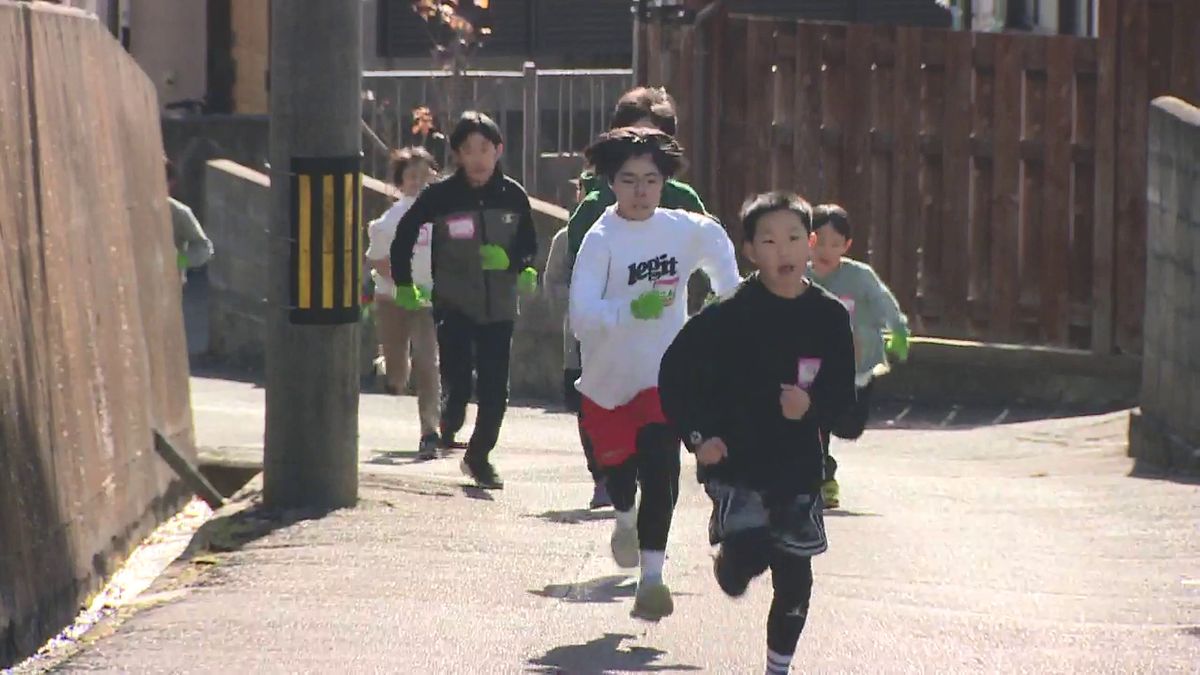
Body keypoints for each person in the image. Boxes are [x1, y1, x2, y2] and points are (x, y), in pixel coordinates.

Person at [658, 191, 856, 675]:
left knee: (795, 580)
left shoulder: (828, 316)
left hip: (798, 467)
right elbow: (674, 374)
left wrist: (812, 406)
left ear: (810, 244)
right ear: (749, 251)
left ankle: (777, 669)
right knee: (745, 561)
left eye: (793, 238)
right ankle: (733, 560)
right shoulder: (726, 314)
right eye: (768, 240)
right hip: (737, 462)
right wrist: (699, 437)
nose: (782, 250)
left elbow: (847, 409)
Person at [569, 127, 741, 621]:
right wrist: (628, 310)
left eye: (650, 179)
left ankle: (652, 579)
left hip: (665, 378)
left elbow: (723, 267)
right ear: (610, 184)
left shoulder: (688, 229)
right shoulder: (601, 240)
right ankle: (623, 518)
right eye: (628, 180)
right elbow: (581, 317)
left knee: (663, 474)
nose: (640, 191)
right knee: (622, 478)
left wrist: (720, 310)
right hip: (608, 383)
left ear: (664, 181)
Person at [390, 112, 539, 490]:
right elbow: (404, 234)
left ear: (498, 151)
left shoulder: (513, 195)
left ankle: (479, 456)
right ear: (457, 154)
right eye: (468, 150)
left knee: (494, 388)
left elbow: (529, 246)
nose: (477, 158)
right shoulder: (441, 195)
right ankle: (450, 417)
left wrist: (517, 264)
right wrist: (404, 283)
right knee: (457, 378)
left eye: (485, 149)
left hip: (500, 307)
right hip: (453, 304)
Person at [807, 204, 909, 509]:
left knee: (850, 427)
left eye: (835, 244)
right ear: (806, 240)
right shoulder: (798, 275)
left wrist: (899, 332)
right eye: (819, 241)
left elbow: (884, 304)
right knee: (816, 423)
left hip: (858, 365)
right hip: (814, 367)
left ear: (847, 246)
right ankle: (823, 476)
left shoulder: (859, 277)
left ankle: (824, 460)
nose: (826, 250)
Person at [566, 86, 709, 265]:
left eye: (652, 140)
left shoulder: (683, 200)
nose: (642, 150)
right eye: (634, 137)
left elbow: (705, 263)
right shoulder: (594, 206)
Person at [365, 147, 442, 460]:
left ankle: (430, 430)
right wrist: (402, 285)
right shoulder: (390, 219)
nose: (419, 183)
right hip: (392, 299)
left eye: (425, 176)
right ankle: (389, 368)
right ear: (400, 182)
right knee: (398, 373)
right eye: (412, 177)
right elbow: (378, 260)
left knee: (428, 362)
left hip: (429, 302)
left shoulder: (443, 215)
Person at [545, 223, 610, 509]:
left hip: (627, 342)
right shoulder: (568, 237)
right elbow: (553, 283)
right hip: (580, 341)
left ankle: (629, 476)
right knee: (587, 411)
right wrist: (583, 300)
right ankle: (601, 478)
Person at [166, 159, 213, 284]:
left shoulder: (178, 213)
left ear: (170, 183)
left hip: (169, 284)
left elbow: (204, 248)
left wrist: (177, 260)